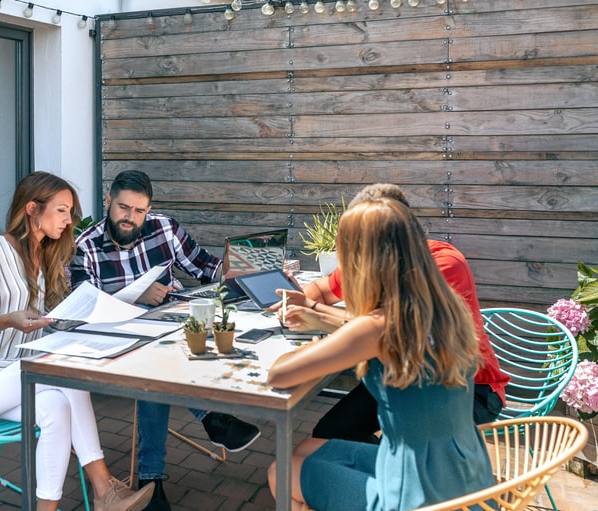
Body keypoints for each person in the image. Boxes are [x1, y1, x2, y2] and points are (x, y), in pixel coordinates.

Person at [0, 172, 154, 511]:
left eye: (70, 212)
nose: (70, 221)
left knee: (56, 408)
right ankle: (103, 489)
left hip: (8, 375)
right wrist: (9, 319)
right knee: (64, 373)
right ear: (32, 209)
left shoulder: (44, 258)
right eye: (62, 210)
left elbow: (40, 329)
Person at [267, 197, 495, 510]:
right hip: (464, 480)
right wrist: (323, 315)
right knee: (309, 447)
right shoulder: (444, 305)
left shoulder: (380, 325)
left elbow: (279, 374)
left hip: (416, 497)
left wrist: (317, 326)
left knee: (279, 471)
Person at [71, 170, 260, 511]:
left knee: (179, 346)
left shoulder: (164, 228)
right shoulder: (85, 246)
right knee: (153, 369)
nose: (130, 218)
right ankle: (210, 420)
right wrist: (134, 295)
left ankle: (151, 481)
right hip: (116, 340)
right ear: (108, 202)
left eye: (139, 211)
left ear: (149, 209)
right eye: (123, 208)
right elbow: (83, 305)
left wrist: (239, 266)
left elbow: (206, 266)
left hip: (168, 332)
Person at [277, 183, 509, 442]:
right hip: (402, 376)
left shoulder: (442, 265)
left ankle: (391, 474)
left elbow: (384, 329)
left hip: (466, 388)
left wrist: (316, 313)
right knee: (331, 434)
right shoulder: (371, 263)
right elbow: (323, 289)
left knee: (385, 441)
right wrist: (299, 304)